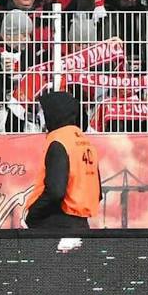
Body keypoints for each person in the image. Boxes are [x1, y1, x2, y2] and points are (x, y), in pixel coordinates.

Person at [23, 89, 101, 231]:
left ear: (53, 113)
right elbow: (98, 193)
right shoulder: (86, 143)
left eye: (44, 112)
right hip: (81, 223)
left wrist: (33, 216)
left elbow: (55, 192)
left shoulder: (59, 141)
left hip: (55, 223)